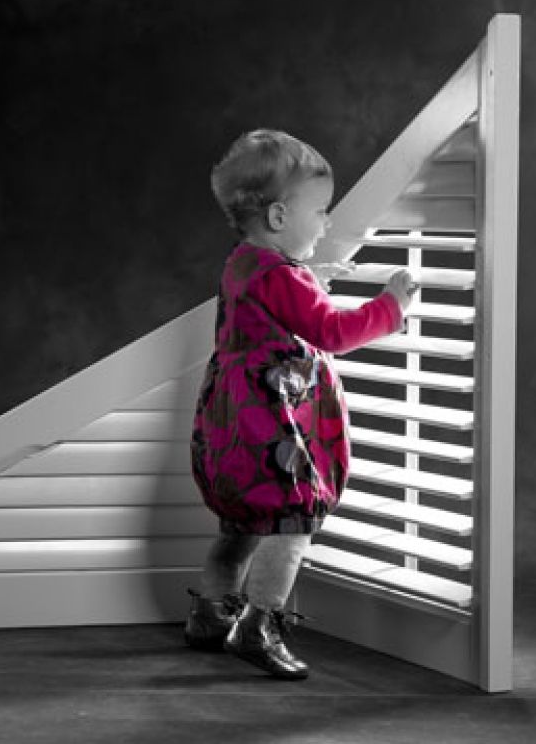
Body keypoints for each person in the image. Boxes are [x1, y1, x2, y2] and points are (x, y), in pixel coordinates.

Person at [185, 129, 419, 680]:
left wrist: (310, 278)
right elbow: (332, 332)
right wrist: (390, 307)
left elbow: (276, 304)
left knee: (241, 524)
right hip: (269, 427)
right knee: (291, 524)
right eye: (320, 211)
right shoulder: (282, 276)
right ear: (279, 217)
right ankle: (258, 627)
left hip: (229, 424)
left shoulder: (244, 262)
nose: (327, 222)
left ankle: (210, 615)